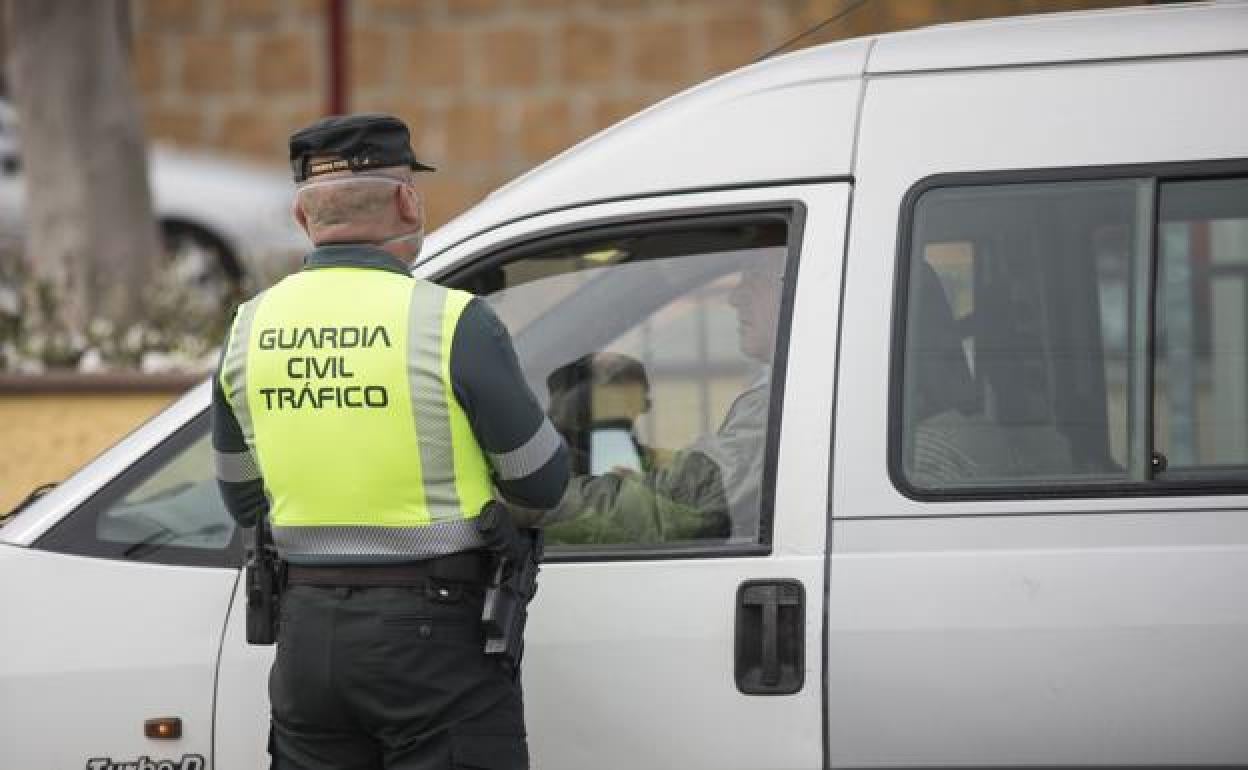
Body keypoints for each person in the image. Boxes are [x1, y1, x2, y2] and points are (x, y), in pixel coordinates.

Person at [211, 113, 568, 770]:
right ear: (408, 201)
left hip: (306, 640)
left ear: (302, 214)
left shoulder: (249, 328)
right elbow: (540, 480)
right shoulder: (452, 321)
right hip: (434, 642)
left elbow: (241, 499)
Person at [535, 258, 783, 545]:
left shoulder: (777, 410)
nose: (735, 297)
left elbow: (683, 503)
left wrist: (538, 504)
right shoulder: (780, 393)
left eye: (755, 276)